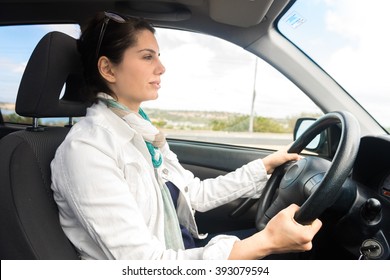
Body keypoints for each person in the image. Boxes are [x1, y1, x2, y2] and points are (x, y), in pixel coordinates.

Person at [50, 11, 322, 260]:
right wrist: (267, 242)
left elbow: (193, 194)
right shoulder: (86, 149)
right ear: (108, 69)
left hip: (179, 250)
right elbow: (144, 265)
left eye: (158, 55)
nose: (161, 67)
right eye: (147, 56)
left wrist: (263, 167)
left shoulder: (141, 131)